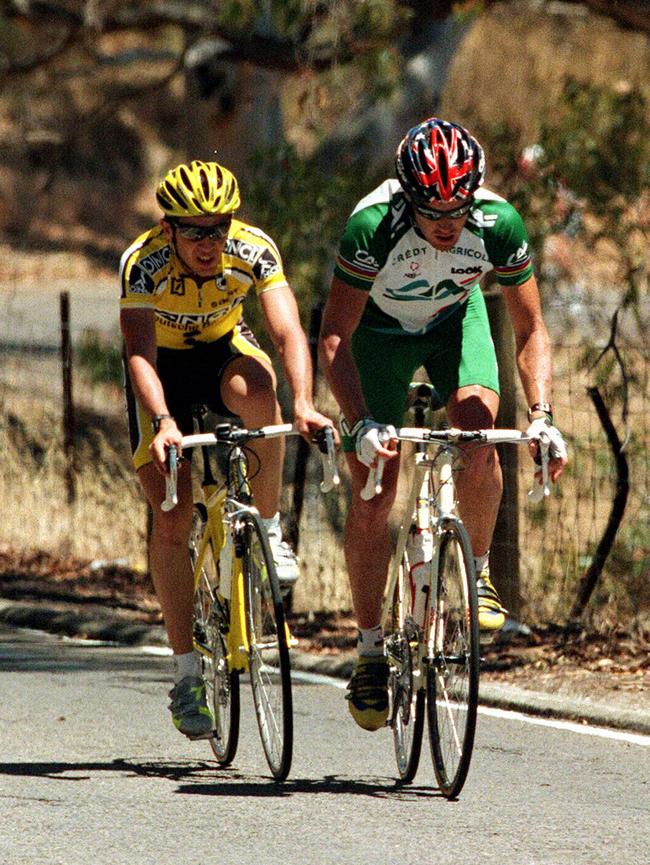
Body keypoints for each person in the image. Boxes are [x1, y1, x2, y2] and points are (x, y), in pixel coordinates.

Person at [319, 117, 568, 732]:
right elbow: (332, 338)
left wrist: (543, 419)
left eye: (457, 207)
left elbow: (532, 330)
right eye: (432, 211)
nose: (446, 222)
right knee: (376, 485)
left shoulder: (497, 224)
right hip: (378, 336)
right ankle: (372, 648)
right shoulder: (372, 226)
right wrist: (359, 425)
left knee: (481, 440)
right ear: (408, 196)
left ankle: (477, 573)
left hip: (455, 322)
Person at [120, 159, 332, 740]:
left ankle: (267, 528)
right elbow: (138, 352)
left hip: (220, 352)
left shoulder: (253, 249)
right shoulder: (143, 264)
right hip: (160, 370)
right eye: (194, 230)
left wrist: (306, 403)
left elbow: (288, 331)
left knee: (260, 394)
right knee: (171, 514)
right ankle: (187, 675)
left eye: (219, 227)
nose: (209, 242)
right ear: (169, 230)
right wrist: (163, 421)